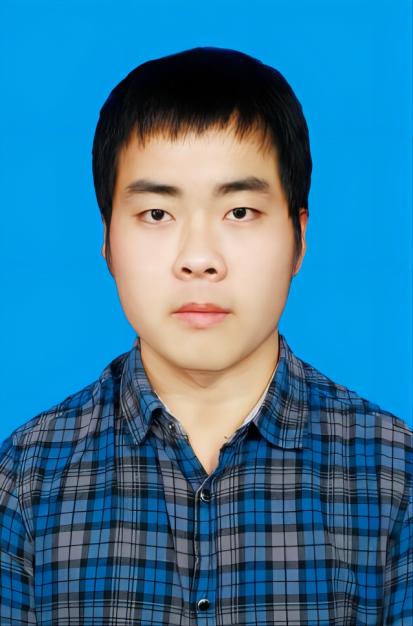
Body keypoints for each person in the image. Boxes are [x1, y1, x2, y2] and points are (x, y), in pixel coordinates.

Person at [0, 46, 411, 626]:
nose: (198, 258)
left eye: (239, 212)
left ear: (298, 238)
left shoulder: (395, 477)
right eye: (157, 214)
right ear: (107, 240)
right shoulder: (24, 478)